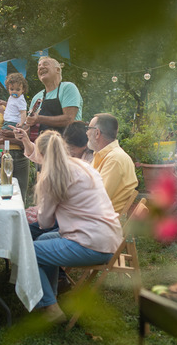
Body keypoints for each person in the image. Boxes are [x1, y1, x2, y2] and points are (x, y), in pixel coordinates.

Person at [27, 130, 122, 323]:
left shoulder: (52, 176)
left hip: (90, 245)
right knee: (44, 241)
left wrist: (36, 212)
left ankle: (50, 308)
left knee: (27, 251)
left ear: (42, 155)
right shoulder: (83, 166)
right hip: (112, 240)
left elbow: (45, 223)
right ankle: (52, 294)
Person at [86, 113, 138, 213]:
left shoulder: (115, 159)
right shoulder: (103, 156)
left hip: (99, 224)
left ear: (97, 133)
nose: (86, 133)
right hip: (92, 219)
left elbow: (96, 200)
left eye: (88, 128)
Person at [22, 56, 82, 134]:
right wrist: (20, 132)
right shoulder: (36, 98)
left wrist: (39, 119)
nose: (41, 67)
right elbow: (31, 127)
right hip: (43, 144)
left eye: (45, 64)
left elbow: (69, 119)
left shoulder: (67, 87)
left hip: (68, 143)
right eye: (39, 66)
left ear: (57, 70)